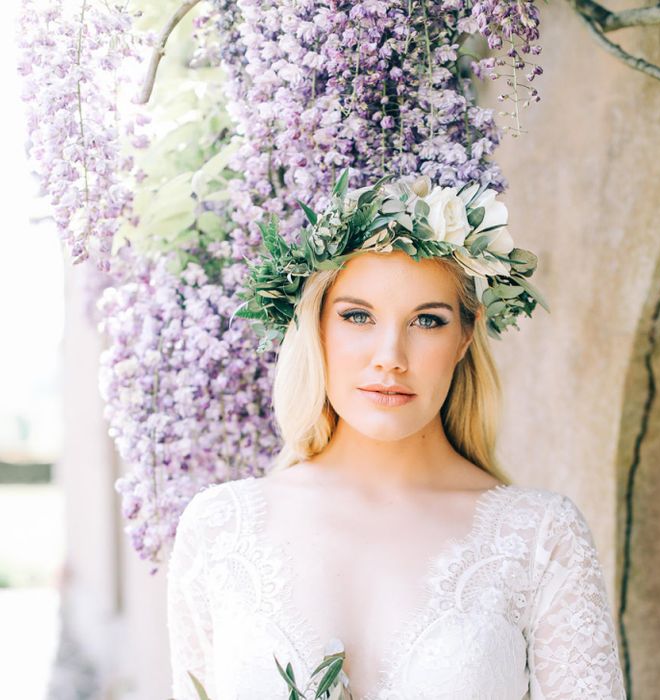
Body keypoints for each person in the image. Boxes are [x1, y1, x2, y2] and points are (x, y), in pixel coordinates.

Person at [166, 170, 627, 699]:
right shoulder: (219, 529)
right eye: (358, 316)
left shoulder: (541, 535)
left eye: (427, 321)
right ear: (316, 326)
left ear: (463, 338)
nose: (390, 357)